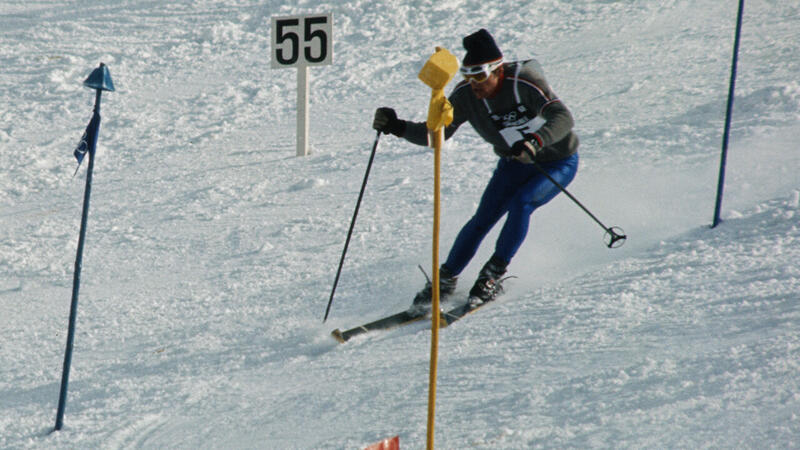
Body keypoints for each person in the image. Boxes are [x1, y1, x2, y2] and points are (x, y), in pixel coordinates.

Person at [373, 29, 579, 307]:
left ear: (498, 71)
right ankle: (446, 279)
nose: (474, 84)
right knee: (483, 218)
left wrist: (535, 141)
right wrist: (397, 127)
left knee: (522, 203)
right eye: (468, 77)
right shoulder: (467, 96)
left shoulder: (523, 84)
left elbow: (563, 116)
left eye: (480, 76)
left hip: (557, 161)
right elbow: (436, 135)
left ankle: (492, 274)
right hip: (514, 164)